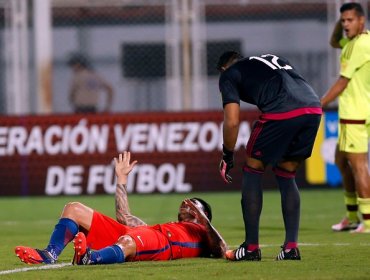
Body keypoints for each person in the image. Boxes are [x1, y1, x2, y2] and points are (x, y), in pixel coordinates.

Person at [14, 152, 227, 265]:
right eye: (185, 202)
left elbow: (221, 249)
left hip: (164, 245)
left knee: (129, 241)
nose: (186, 203)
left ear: (204, 215)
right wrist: (121, 179)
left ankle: (90, 258)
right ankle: (50, 254)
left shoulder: (203, 236)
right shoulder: (163, 227)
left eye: (193, 203)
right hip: (149, 235)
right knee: (73, 208)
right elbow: (124, 217)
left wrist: (204, 222)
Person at [217, 51, 322, 261]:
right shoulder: (272, 59)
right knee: (286, 172)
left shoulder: (229, 74)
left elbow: (232, 121)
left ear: (223, 69)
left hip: (282, 110)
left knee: (253, 167)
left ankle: (250, 248)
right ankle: (291, 248)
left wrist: (227, 155)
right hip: (313, 108)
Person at [321, 2, 370, 233]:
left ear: (362, 21)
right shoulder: (350, 42)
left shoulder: (362, 44)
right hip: (349, 114)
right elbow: (333, 42)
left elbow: (343, 82)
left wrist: (318, 104)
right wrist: (339, 23)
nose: (346, 24)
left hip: (356, 114)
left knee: (359, 166)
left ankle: (368, 222)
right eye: (344, 21)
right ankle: (351, 216)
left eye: (351, 20)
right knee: (341, 161)